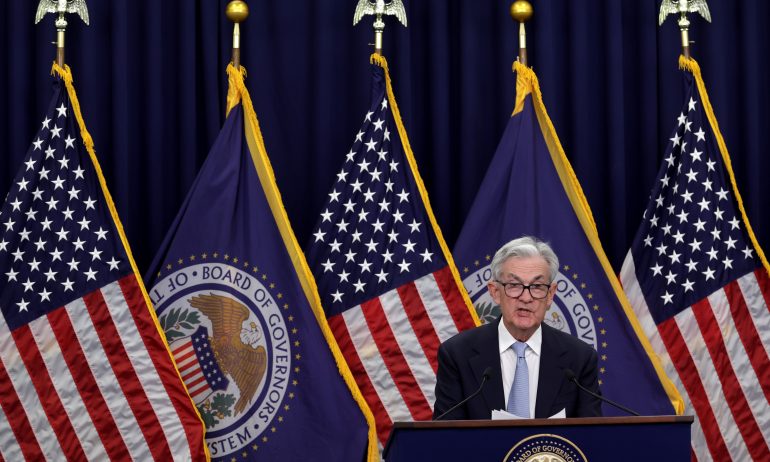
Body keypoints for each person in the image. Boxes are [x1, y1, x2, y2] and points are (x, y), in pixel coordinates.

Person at [433, 236, 602, 419]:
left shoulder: (579, 358)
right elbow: (445, 438)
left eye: (537, 286)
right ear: (495, 292)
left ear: (551, 295)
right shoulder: (458, 355)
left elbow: (590, 438)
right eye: (514, 285)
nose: (526, 298)